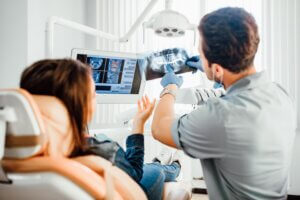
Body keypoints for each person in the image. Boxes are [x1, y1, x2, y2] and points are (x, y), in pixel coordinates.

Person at [151, 7, 296, 200]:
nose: (200, 58)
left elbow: (160, 128)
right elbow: (239, 103)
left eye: (202, 55)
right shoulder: (279, 94)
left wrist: (170, 87)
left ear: (218, 68)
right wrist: (216, 75)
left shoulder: (221, 116)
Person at [19, 58, 181, 200]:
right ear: (82, 105)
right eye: (93, 94)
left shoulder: (20, 154)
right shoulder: (103, 150)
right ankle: (174, 166)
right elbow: (134, 174)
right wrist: (138, 123)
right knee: (154, 171)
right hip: (125, 187)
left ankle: (164, 163)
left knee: (151, 167)